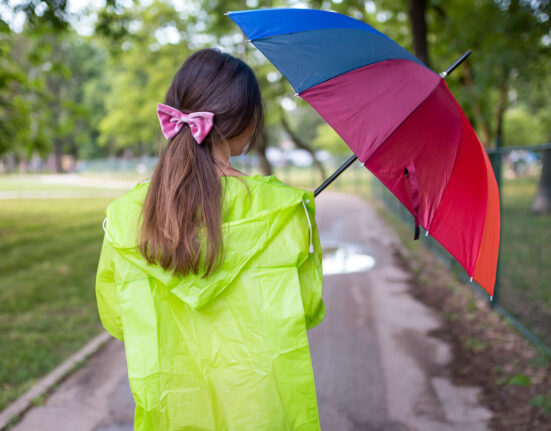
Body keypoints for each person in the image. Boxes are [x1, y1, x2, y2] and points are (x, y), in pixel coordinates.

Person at [95, 47, 326, 430]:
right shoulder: (285, 211)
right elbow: (308, 308)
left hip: (173, 411)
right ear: (248, 122)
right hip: (264, 411)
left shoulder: (126, 216)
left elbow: (117, 317)